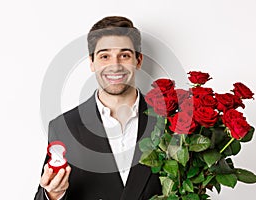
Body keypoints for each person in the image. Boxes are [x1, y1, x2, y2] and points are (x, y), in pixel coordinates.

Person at [34, 16, 162, 200]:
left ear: (138, 60)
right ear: (92, 62)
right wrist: (54, 194)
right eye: (104, 56)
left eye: (124, 55)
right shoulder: (64, 127)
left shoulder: (167, 122)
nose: (115, 65)